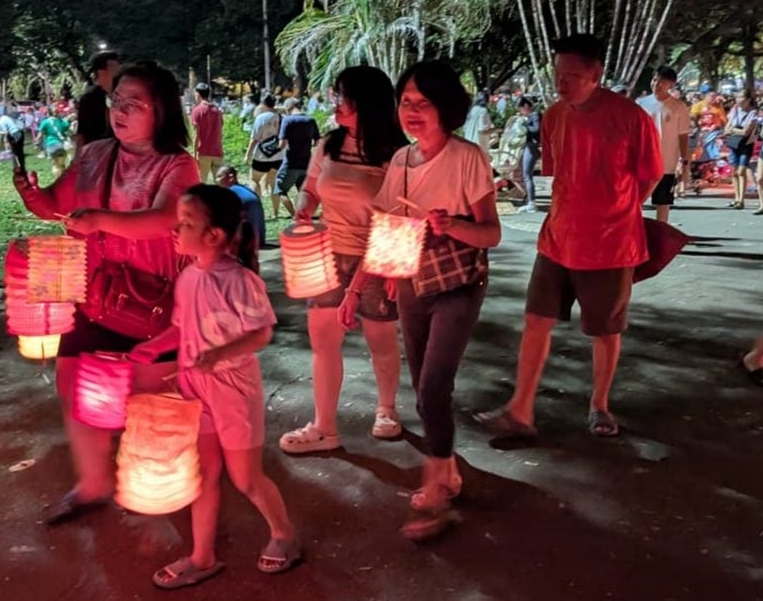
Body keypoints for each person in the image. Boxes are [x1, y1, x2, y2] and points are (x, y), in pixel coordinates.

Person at [13, 61, 200, 525]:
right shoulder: (95, 154)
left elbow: (163, 219)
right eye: (117, 101)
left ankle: (163, 489)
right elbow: (55, 206)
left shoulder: (178, 164)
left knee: (149, 402)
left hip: (150, 302)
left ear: (161, 110)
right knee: (74, 386)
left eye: (135, 104)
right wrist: (32, 195)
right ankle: (93, 482)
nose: (120, 111)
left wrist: (99, 220)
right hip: (91, 293)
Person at [339, 61, 501, 540]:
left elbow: (490, 233)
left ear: (445, 107)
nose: (412, 111)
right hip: (413, 283)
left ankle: (435, 496)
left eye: (423, 103)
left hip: (459, 283)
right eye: (406, 102)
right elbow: (386, 232)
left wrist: (453, 225)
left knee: (432, 386)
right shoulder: (401, 162)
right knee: (426, 387)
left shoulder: (467, 157)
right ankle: (447, 470)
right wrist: (354, 289)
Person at [474, 33, 662, 440]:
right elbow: (559, 173)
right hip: (558, 238)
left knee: (604, 330)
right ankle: (520, 409)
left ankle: (600, 404)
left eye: (572, 75)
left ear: (596, 75)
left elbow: (650, 174)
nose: (562, 83)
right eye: (558, 74)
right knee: (536, 320)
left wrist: (621, 209)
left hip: (611, 244)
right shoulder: (555, 115)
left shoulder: (630, 117)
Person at [129, 184, 300, 588]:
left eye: (185, 223)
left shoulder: (240, 281)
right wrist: (152, 347)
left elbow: (261, 333)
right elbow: (181, 327)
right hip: (194, 388)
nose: (175, 230)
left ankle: (284, 534)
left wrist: (220, 354)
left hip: (233, 391)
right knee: (203, 473)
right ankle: (202, 556)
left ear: (214, 235)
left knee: (246, 478)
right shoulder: (188, 277)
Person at [278, 66, 408, 455]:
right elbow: (311, 188)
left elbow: (399, 221)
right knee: (324, 342)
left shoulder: (395, 155)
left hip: (377, 258)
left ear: (366, 103)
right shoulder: (329, 144)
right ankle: (324, 427)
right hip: (326, 255)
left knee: (380, 339)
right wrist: (304, 207)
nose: (335, 103)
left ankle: (386, 409)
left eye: (342, 96)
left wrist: (388, 272)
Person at [637, 66, 690, 223]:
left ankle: (661, 232)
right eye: (655, 80)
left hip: (667, 163)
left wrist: (683, 159)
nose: (656, 84)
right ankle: (635, 231)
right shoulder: (640, 103)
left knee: (663, 202)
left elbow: (683, 135)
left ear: (671, 85)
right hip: (643, 161)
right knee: (636, 200)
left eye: (662, 82)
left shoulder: (679, 107)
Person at [275, 98, 320, 217]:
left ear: (288, 107)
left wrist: (274, 149)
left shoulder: (287, 120)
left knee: (280, 190)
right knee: (303, 191)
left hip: (291, 163)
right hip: (306, 163)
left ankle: (295, 215)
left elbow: (282, 144)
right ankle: (305, 214)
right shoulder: (310, 120)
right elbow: (317, 142)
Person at [245, 93, 286, 218]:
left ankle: (258, 210)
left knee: (254, 180)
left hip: (261, 156)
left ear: (263, 104)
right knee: (274, 183)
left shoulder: (261, 118)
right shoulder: (282, 117)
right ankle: (276, 212)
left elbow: (254, 139)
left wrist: (248, 154)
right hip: (278, 155)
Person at [75, 50, 120, 149]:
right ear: (102, 71)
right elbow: (81, 133)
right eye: (114, 66)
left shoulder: (123, 94)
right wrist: (79, 155)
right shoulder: (89, 99)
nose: (119, 71)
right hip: (97, 151)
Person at [216, 165, 266, 251]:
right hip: (260, 240)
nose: (216, 180)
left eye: (219, 177)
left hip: (246, 244)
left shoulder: (230, 194)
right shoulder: (247, 189)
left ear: (231, 177)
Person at [724, 89, 759, 210]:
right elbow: (727, 128)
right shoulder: (734, 110)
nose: (738, 100)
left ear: (748, 100)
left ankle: (741, 200)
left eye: (741, 97)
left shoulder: (753, 113)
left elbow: (746, 132)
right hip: (734, 143)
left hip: (746, 144)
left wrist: (732, 130)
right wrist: (734, 130)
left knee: (741, 171)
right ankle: (736, 198)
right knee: (734, 172)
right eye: (737, 97)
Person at [190, 82, 224, 183]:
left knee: (201, 182)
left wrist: (194, 152)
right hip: (217, 151)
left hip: (203, 152)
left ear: (197, 94)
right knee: (220, 183)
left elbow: (196, 134)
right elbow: (221, 127)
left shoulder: (197, 111)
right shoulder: (217, 110)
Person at [517, 97, 542, 213]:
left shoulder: (535, 115)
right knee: (526, 173)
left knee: (527, 174)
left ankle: (532, 202)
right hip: (530, 146)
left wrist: (525, 125)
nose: (521, 112)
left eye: (521, 109)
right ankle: (530, 201)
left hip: (532, 146)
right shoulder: (533, 116)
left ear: (526, 106)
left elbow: (536, 129)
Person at [35, 107, 72, 177]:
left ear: (48, 113)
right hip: (61, 145)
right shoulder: (61, 121)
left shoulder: (45, 122)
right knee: (62, 164)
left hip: (51, 145)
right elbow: (67, 127)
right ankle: (64, 179)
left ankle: (57, 179)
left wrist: (36, 143)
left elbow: (40, 135)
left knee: (55, 165)